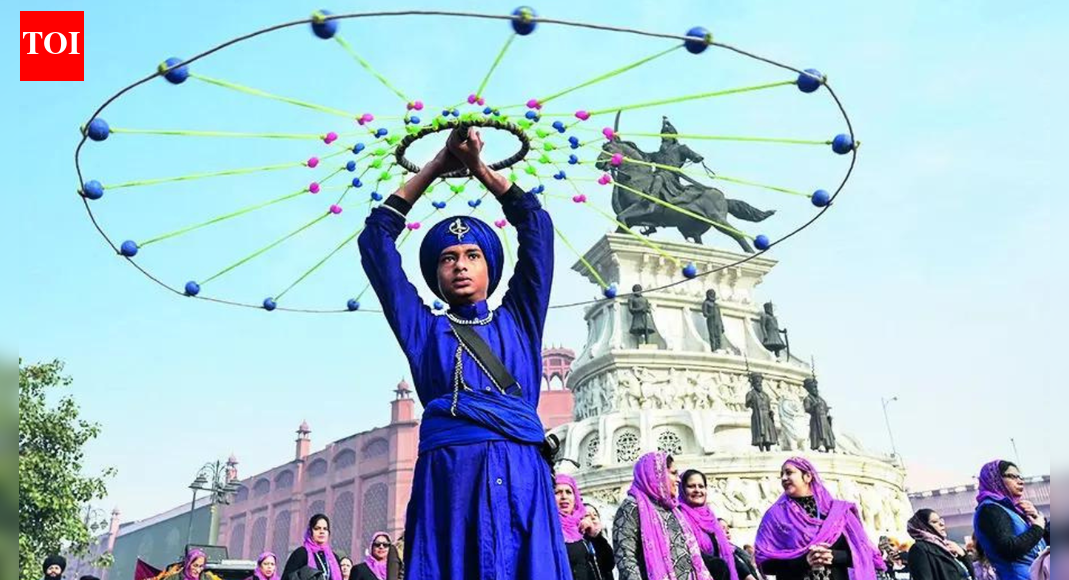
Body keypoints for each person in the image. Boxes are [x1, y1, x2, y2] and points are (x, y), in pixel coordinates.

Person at [357, 128, 569, 579]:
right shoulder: (424, 332)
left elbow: (537, 229)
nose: (460, 265)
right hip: (450, 482)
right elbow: (375, 242)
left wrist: (480, 170)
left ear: (490, 267)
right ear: (436, 274)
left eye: (472, 255)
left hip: (521, 477)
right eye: (447, 257)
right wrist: (435, 167)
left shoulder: (520, 320)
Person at [754, 457, 885, 580]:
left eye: (789, 473)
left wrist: (833, 556)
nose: (783, 478)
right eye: (781, 475)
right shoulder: (775, 516)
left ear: (807, 476)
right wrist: (804, 561)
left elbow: (863, 552)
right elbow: (765, 564)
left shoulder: (838, 512)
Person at [612, 452, 713, 580]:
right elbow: (625, 557)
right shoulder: (632, 507)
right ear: (657, 474)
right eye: (673, 473)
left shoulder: (672, 509)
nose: (678, 479)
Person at [972, 460, 1047, 580]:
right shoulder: (990, 509)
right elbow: (1009, 549)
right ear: (996, 479)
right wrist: (1037, 528)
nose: (1020, 481)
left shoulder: (1013, 510)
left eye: (1020, 477)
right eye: (1012, 476)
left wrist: (1036, 517)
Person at [675, 468, 741, 580]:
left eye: (701, 486)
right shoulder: (678, 517)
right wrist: (717, 565)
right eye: (691, 486)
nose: (697, 490)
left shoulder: (711, 518)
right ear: (682, 489)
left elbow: (726, 550)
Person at [555, 473, 614, 580]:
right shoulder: (548, 527)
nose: (564, 497)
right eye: (558, 492)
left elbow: (607, 564)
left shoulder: (581, 528)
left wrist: (595, 537)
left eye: (568, 492)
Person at [906, 509, 974, 580]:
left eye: (941, 520)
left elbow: (973, 573)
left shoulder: (948, 548)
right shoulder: (920, 549)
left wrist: (963, 555)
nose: (942, 524)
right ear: (923, 527)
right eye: (934, 522)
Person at [283, 514, 343, 580]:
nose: (322, 532)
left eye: (325, 529)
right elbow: (287, 578)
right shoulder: (301, 554)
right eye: (317, 528)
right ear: (310, 532)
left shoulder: (334, 558)